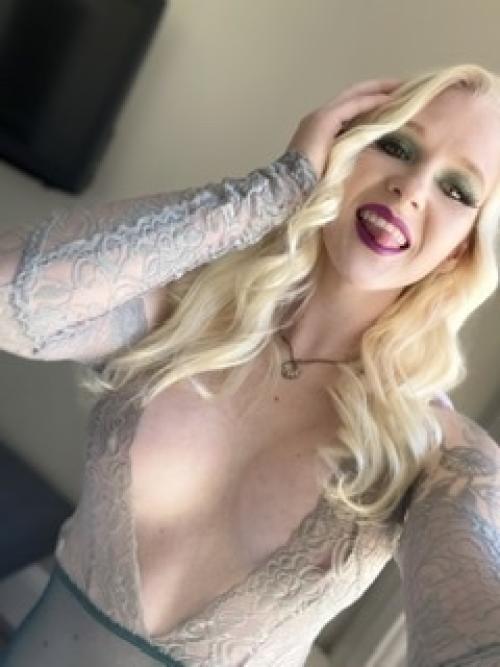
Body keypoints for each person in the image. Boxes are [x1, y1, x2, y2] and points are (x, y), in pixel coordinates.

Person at [1, 63, 500, 666]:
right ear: (343, 149)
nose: (412, 187)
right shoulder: (181, 315)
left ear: (463, 248)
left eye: (457, 189)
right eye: (396, 146)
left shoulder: (436, 454)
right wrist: (275, 188)